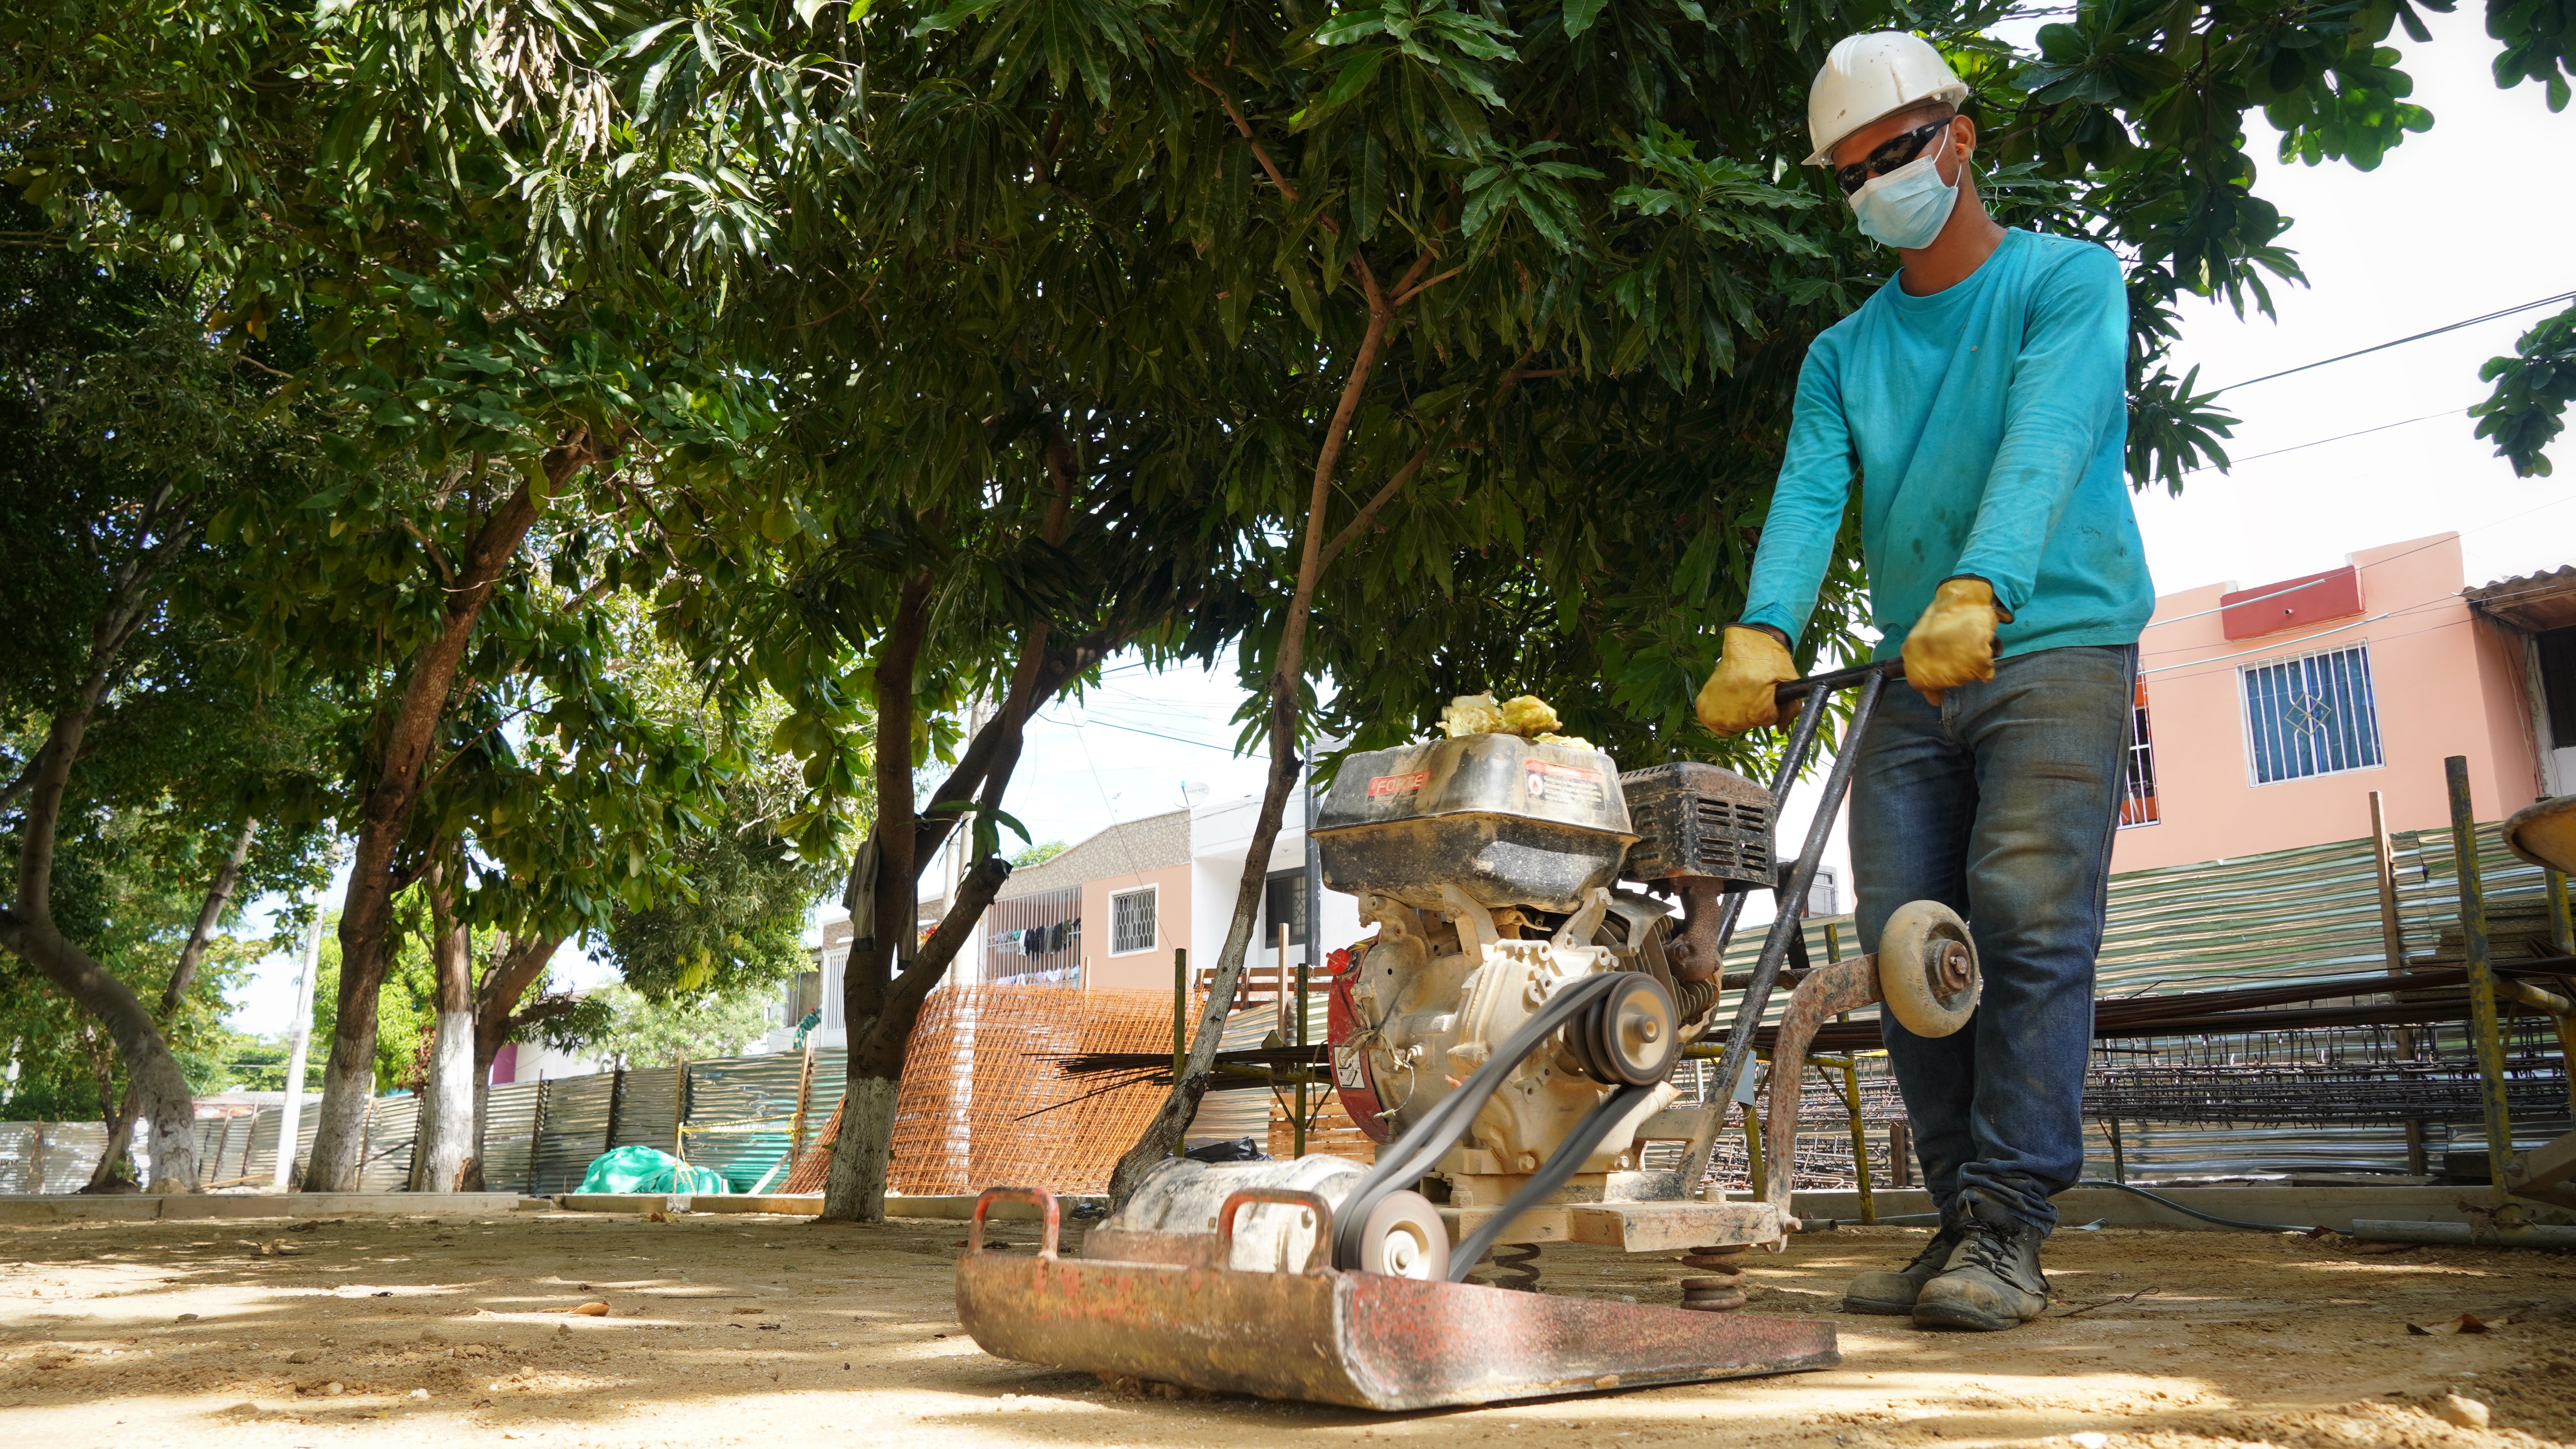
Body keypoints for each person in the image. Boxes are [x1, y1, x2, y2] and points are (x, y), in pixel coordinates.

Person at [1692, 30, 2153, 1332]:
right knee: (1910, 950)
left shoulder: (2065, 282)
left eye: (1893, 152)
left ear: (1957, 135)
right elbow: (1807, 494)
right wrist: (1764, 627)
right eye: (1850, 173)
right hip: (1913, 672)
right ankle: (1958, 1221)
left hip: (2054, 641)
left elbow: (2053, 432)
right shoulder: (1842, 353)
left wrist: (1980, 584)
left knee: (2025, 915)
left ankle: (2009, 1227)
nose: (1876, 184)